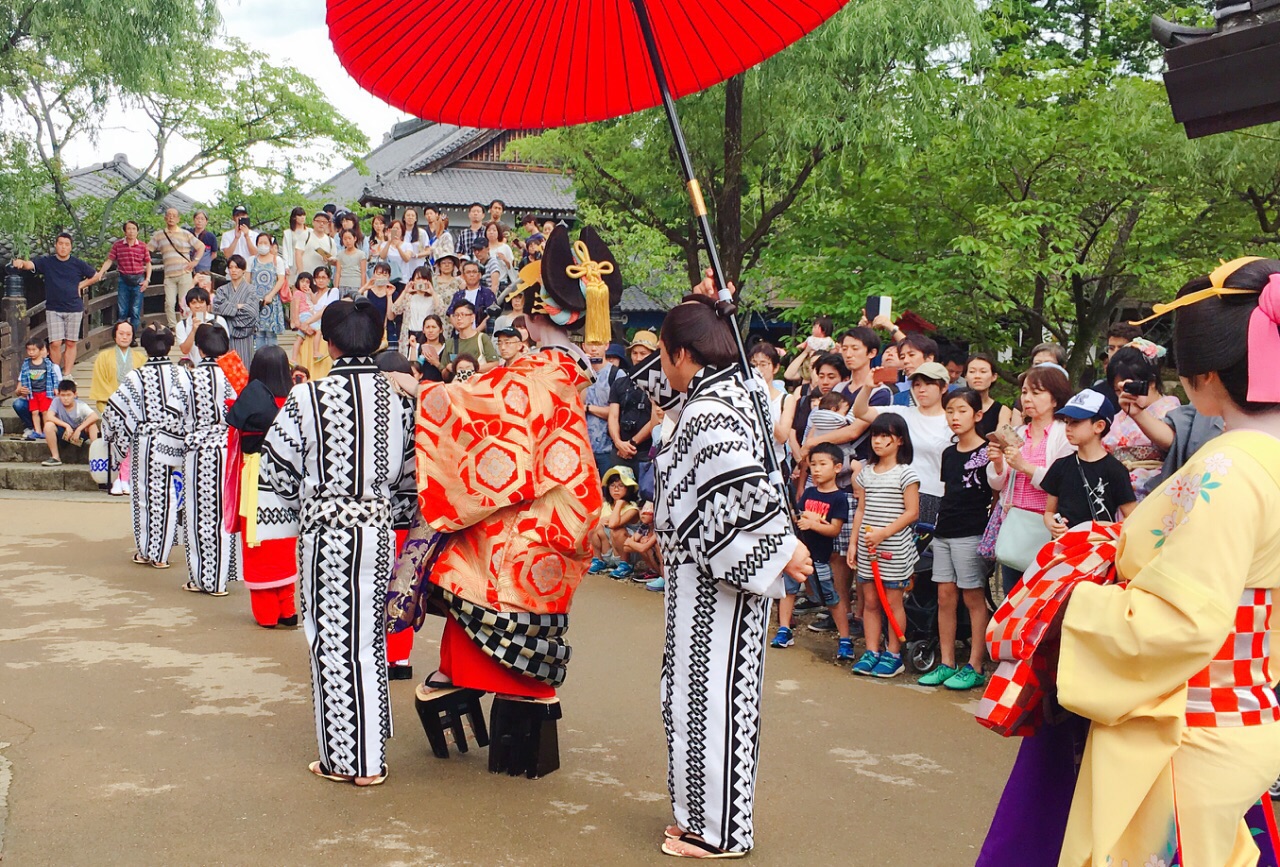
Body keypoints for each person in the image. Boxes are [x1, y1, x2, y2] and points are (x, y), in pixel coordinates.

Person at [1029, 257, 1280, 864]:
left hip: (1182, 719)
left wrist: (1072, 607)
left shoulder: (1229, 468)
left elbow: (1182, 621)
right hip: (1244, 702)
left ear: (1203, 376)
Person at [389, 227, 624, 779]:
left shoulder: (541, 372)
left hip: (529, 517)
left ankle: (460, 680)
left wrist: (424, 392)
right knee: (479, 565)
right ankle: (490, 689)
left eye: (525, 310)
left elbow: (482, 409)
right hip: (556, 504)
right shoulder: (563, 369)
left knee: (464, 566)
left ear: (538, 316)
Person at [635, 288, 810, 859]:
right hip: (702, 575)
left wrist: (783, 548)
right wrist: (701, 305)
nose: (661, 366)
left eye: (664, 353)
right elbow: (658, 386)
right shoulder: (740, 390)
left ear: (684, 355)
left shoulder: (712, 409)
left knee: (711, 701)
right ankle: (697, 817)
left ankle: (719, 832)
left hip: (718, 581)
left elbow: (742, 486)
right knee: (692, 696)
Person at [255, 297, 417, 787]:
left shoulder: (308, 398)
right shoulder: (400, 403)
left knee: (331, 640)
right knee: (369, 638)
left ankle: (350, 760)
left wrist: (287, 524)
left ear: (328, 343)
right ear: (379, 341)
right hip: (380, 529)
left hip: (327, 530)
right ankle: (370, 749)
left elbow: (277, 469)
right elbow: (411, 477)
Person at [918, 388, 991, 690]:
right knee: (944, 596)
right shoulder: (949, 453)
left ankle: (975, 664)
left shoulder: (988, 452)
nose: (954, 417)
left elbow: (995, 495)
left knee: (973, 597)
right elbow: (949, 493)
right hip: (944, 530)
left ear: (977, 415)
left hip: (971, 531)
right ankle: (947, 662)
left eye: (961, 410)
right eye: (950, 411)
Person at [102, 325, 187, 569]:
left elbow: (114, 412)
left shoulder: (136, 376)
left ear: (145, 347)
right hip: (174, 440)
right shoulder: (182, 375)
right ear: (170, 346)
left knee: (143, 496)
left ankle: (146, 550)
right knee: (170, 494)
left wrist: (112, 440)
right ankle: (162, 554)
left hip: (145, 441)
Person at [985, 365, 1076, 593]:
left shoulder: (1064, 434)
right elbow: (998, 483)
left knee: (1041, 596)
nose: (1027, 398)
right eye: (1025, 392)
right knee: (1011, 594)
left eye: (1036, 393)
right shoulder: (1016, 432)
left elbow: (1063, 483)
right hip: (1016, 520)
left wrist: (1024, 467)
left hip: (1046, 524)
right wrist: (997, 464)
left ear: (1055, 399)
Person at [226, 345, 298, 629]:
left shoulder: (245, 401)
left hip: (254, 476)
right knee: (283, 544)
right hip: (288, 479)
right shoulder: (295, 400)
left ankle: (267, 613)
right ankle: (288, 609)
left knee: (258, 546)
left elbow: (234, 438)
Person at [848, 413, 920, 679]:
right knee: (869, 601)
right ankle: (871, 651)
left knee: (892, 601)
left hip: (894, 549)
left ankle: (893, 653)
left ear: (899, 440)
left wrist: (883, 533)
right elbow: (861, 510)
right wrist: (854, 543)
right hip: (869, 548)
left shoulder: (906, 473)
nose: (878, 441)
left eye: (885, 436)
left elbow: (912, 512)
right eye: (875, 435)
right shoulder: (866, 472)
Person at [176, 324, 240, 596]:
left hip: (200, 452)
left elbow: (179, 416)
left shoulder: (189, 378)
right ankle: (224, 575)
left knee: (200, 515)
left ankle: (204, 578)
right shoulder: (235, 374)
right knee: (225, 515)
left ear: (200, 349)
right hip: (229, 449)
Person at [853, 361, 953, 532]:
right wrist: (868, 387)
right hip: (896, 493)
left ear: (944, 388)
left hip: (935, 494)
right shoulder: (902, 413)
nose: (922, 389)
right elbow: (861, 411)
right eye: (917, 384)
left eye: (929, 384)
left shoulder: (951, 421)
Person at [772, 443, 851, 659]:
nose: (816, 469)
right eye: (813, 464)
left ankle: (845, 639)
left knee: (831, 598)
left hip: (820, 558)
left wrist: (814, 524)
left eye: (822, 464)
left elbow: (835, 529)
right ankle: (784, 630)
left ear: (837, 467)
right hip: (799, 554)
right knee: (788, 591)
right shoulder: (808, 492)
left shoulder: (839, 498)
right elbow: (799, 517)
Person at [1041, 390, 1136, 535]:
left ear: (1099, 426)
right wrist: (1051, 524)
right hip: (1064, 548)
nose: (1068, 428)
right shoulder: (1060, 466)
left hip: (1099, 550)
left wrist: (1109, 533)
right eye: (1066, 422)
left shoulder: (1115, 470)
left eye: (1075, 422)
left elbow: (1132, 516)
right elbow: (1049, 511)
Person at [1103, 344, 1181, 500]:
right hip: (1117, 492)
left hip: (1154, 492)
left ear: (1151, 382)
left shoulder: (1171, 409)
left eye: (1130, 386)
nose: (1124, 394)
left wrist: (1138, 414)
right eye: (1118, 390)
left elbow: (1172, 443)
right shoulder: (1120, 415)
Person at [10, 233, 98, 370]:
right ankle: (56, 373)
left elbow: (95, 275)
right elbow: (31, 264)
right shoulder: (47, 262)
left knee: (70, 342)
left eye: (66, 244)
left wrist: (82, 285)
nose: (63, 247)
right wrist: (21, 263)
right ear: (56, 245)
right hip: (54, 308)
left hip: (74, 307)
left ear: (71, 247)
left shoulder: (77, 263)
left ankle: (68, 373)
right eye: (61, 244)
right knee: (55, 343)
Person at [147, 208, 203, 329]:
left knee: (185, 303)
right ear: (165, 218)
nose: (171, 218)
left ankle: (185, 325)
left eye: (174, 216)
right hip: (169, 274)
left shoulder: (185, 234)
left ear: (178, 219)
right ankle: (173, 326)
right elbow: (147, 250)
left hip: (185, 272)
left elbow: (201, 246)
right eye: (169, 215)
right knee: (169, 302)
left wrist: (195, 262)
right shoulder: (159, 236)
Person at [96, 220, 152, 333]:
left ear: (137, 231)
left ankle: (132, 336)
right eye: (129, 229)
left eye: (134, 229)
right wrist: (101, 272)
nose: (131, 232)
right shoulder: (118, 245)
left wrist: (147, 280)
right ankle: (121, 335)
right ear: (125, 232)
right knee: (122, 310)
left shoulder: (142, 246)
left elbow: (148, 263)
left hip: (139, 280)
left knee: (135, 311)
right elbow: (109, 260)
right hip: (124, 279)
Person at [589, 466, 640, 578]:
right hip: (609, 549)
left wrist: (619, 503)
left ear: (628, 488)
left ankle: (625, 565)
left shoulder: (632, 508)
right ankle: (599, 559)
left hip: (626, 552)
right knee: (595, 527)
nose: (616, 489)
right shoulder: (606, 505)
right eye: (612, 486)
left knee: (617, 530)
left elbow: (613, 524)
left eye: (621, 486)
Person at [89, 321, 145, 415]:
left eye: (128, 334)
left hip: (135, 406)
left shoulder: (141, 358)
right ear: (115, 335)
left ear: (132, 337)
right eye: (121, 334)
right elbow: (100, 383)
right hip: (109, 405)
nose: (124, 337)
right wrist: (117, 401)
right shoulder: (103, 357)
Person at [40, 378, 98, 467]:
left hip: (78, 437)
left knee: (92, 426)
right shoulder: (56, 401)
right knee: (48, 425)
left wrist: (79, 429)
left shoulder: (80, 405)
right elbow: (49, 416)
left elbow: (94, 416)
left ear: (75, 395)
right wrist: (66, 426)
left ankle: (96, 457)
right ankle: (55, 457)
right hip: (64, 435)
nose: (66, 398)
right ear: (58, 395)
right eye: (63, 395)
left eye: (69, 395)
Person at [213, 255, 259, 364]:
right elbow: (217, 308)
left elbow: (252, 311)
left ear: (243, 270)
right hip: (225, 334)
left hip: (245, 334)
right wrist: (238, 306)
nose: (233, 270)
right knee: (227, 368)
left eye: (237, 267)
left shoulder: (251, 290)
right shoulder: (221, 290)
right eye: (231, 267)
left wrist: (229, 315)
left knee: (244, 366)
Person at [249, 233, 287, 353]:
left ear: (271, 245)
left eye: (266, 243)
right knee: (259, 334)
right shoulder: (251, 260)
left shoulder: (277, 260)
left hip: (272, 301)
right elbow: (247, 280)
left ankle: (273, 360)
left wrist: (270, 295)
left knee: (271, 335)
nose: (263, 245)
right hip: (256, 302)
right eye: (260, 243)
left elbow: (281, 279)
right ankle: (259, 361)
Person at [17, 339, 61, 440]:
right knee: (34, 412)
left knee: (45, 412)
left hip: (45, 392)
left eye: (34, 350)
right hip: (32, 393)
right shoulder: (26, 364)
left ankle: (47, 430)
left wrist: (55, 388)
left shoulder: (48, 364)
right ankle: (37, 431)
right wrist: (22, 389)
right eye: (29, 350)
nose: (31, 352)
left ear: (41, 350)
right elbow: (23, 377)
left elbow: (53, 377)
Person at [439, 301, 497, 375]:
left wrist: (471, 369)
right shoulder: (450, 343)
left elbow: (494, 363)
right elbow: (444, 375)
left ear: (472, 317)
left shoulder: (482, 338)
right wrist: (449, 368)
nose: (459, 318)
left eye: (463, 315)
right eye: (456, 315)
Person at [392, 266, 440, 353]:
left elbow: (440, 312)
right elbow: (395, 309)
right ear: (413, 280)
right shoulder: (408, 296)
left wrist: (433, 293)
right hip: (409, 333)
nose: (421, 281)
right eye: (418, 278)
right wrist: (405, 291)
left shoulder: (434, 297)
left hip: (427, 335)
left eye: (424, 278)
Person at [175, 286, 228, 365]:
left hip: (216, 366)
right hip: (194, 368)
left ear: (207, 303)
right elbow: (184, 350)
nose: (198, 306)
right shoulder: (182, 325)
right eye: (193, 303)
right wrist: (193, 330)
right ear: (189, 305)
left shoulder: (219, 320)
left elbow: (225, 346)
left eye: (201, 302)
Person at [964, 352, 1012, 437]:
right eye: (972, 371)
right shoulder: (955, 404)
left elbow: (1003, 440)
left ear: (994, 376)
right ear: (965, 376)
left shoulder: (1002, 411)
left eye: (983, 371)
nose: (977, 376)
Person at [447, 258, 498, 327]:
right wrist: (460, 330)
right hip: (460, 334)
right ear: (463, 276)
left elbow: (491, 314)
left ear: (479, 275)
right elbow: (451, 314)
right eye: (468, 272)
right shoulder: (458, 295)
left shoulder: (487, 293)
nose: (471, 275)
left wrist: (476, 331)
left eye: (474, 272)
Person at [623, 502, 662, 584]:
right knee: (643, 542)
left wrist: (632, 543)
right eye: (641, 509)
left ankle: (663, 576)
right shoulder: (644, 526)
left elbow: (641, 547)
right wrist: (639, 544)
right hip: (652, 556)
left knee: (652, 545)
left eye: (648, 510)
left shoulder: (659, 527)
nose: (642, 513)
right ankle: (653, 571)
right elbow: (625, 547)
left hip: (663, 559)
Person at [295, 212, 335, 278]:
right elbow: (298, 254)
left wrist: (329, 260)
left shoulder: (330, 241)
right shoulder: (306, 235)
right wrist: (301, 274)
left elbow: (334, 261)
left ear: (328, 224)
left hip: (321, 279)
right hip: (306, 276)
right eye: (318, 221)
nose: (321, 224)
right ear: (313, 222)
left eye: (324, 222)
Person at [333, 229, 368, 298]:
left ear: (355, 238)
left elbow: (363, 273)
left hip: (356, 285)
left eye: (349, 238)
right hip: (342, 285)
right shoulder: (340, 255)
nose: (347, 241)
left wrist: (363, 288)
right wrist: (336, 289)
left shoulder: (361, 254)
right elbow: (338, 273)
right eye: (345, 239)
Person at [280, 207, 308, 284]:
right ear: (294, 217)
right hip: (292, 261)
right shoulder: (288, 233)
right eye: (299, 215)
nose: (302, 217)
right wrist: (286, 266)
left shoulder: (309, 232)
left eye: (303, 215)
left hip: (306, 260)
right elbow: (285, 250)